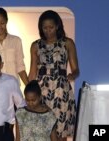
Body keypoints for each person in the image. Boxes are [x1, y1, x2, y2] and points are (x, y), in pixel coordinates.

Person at [28, 10, 80, 141]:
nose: (48, 31)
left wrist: (72, 75)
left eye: (50, 27)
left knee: (61, 131)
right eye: (44, 28)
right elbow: (32, 72)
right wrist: (29, 93)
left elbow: (76, 70)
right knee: (42, 131)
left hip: (61, 92)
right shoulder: (36, 45)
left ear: (57, 26)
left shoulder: (67, 43)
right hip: (42, 91)